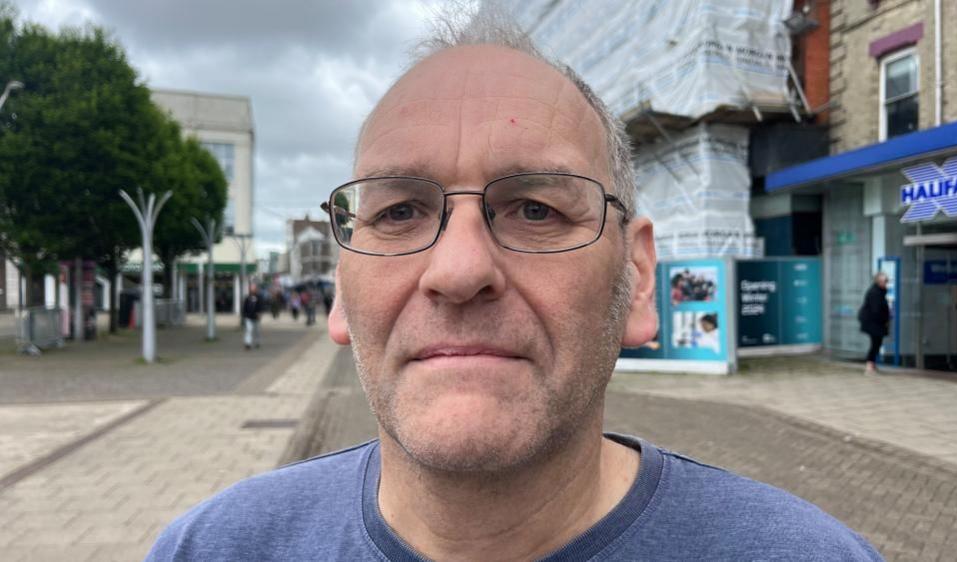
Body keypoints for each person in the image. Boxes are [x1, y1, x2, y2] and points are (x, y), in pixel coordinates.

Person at [146, 11, 881, 561]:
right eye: (398, 211)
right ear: (341, 288)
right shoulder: (213, 550)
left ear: (636, 275)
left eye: (536, 209)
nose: (460, 271)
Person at [858, 272, 891, 374]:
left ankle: (871, 364)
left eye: (887, 281)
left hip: (875, 323)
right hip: (874, 323)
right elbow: (876, 310)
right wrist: (884, 320)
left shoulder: (880, 291)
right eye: (885, 281)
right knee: (876, 343)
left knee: (877, 343)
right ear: (879, 281)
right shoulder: (875, 293)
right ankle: (869, 365)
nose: (886, 283)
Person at [240, 283, 261, 350]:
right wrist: (244, 315)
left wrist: (259, 313)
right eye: (251, 289)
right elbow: (244, 307)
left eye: (254, 289)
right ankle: (248, 343)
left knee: (257, 331)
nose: (252, 290)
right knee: (249, 330)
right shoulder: (247, 298)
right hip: (248, 317)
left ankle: (257, 342)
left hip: (256, 317)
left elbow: (261, 307)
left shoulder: (259, 298)